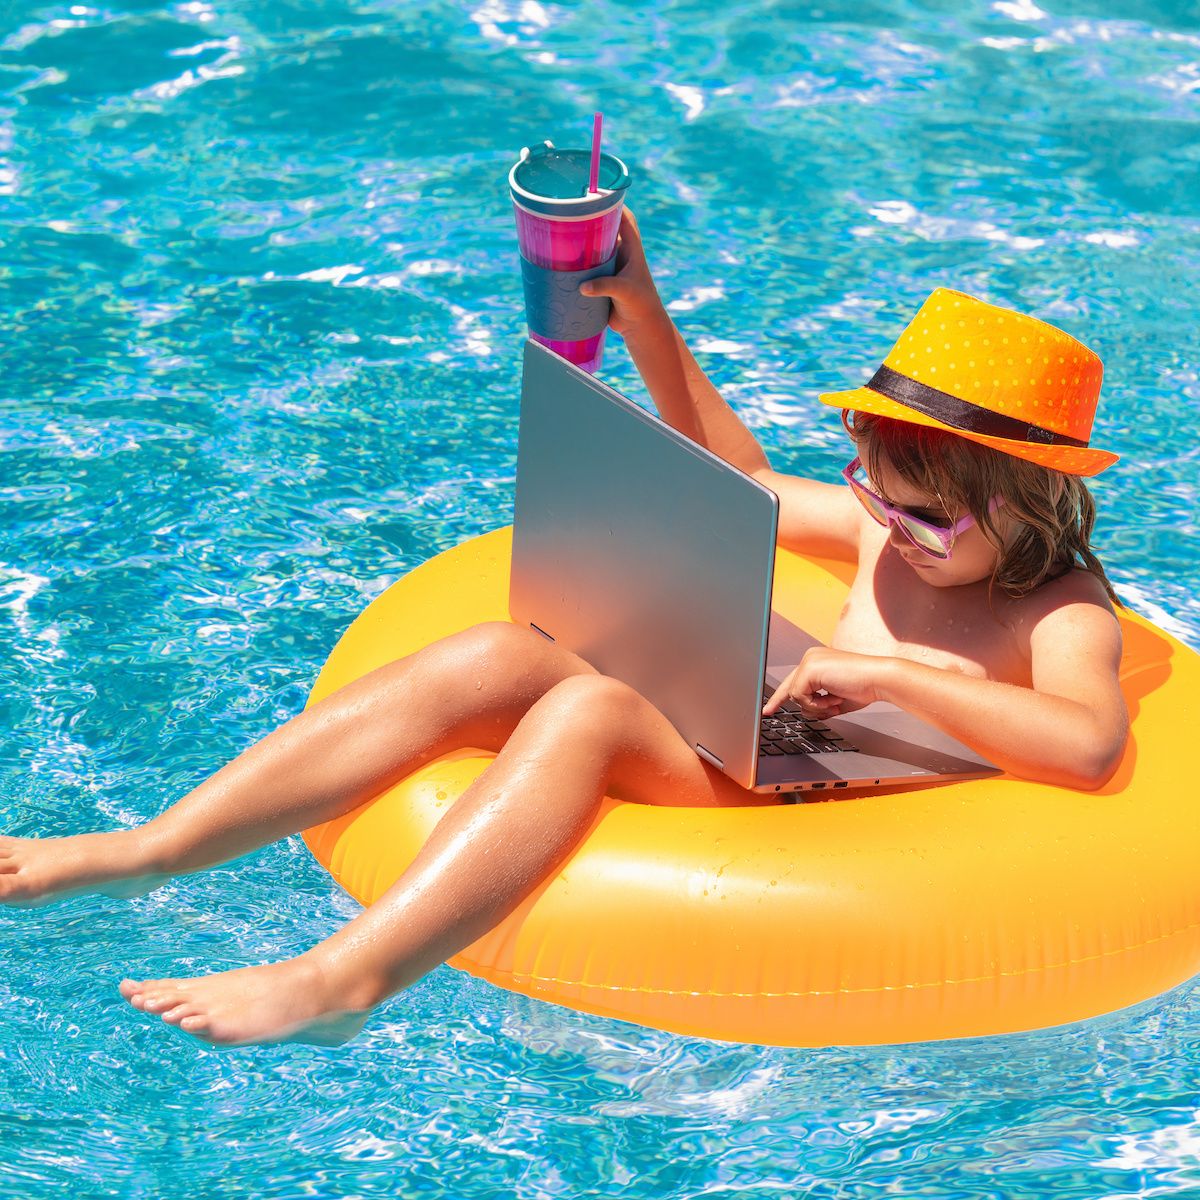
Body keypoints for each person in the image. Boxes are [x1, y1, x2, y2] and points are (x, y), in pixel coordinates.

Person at [0, 210, 1129, 1048]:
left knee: (587, 705)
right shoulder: (897, 525)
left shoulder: (1057, 606)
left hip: (840, 778)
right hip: (782, 721)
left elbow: (1088, 747)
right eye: (869, 490)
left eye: (918, 514)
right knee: (504, 652)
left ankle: (347, 981)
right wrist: (641, 310)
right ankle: (142, 852)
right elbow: (740, 477)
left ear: (1028, 500)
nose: (884, 522)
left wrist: (891, 680)